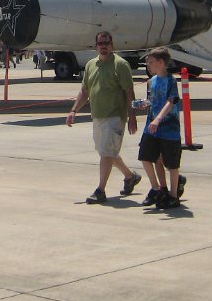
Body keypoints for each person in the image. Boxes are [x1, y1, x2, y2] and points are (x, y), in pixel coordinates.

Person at [66, 30, 140, 203]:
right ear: (96, 46)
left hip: (115, 116)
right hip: (98, 116)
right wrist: (73, 111)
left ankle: (100, 190)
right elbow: (85, 91)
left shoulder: (120, 65)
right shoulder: (91, 65)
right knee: (107, 152)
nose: (104, 46)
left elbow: (129, 92)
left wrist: (132, 116)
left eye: (107, 43)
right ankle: (130, 177)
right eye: (100, 43)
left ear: (112, 45)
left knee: (106, 153)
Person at [138, 47, 184, 209]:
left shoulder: (171, 81)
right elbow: (152, 100)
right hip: (151, 126)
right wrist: (144, 104)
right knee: (146, 156)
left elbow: (170, 101)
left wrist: (158, 119)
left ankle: (173, 195)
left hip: (168, 128)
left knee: (172, 164)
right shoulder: (151, 82)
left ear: (161, 62)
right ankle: (158, 188)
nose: (148, 66)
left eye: (151, 62)